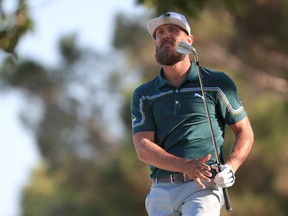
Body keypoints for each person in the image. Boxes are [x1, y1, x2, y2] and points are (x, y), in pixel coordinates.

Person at [131, 11, 254, 216]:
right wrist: (185, 165)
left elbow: (245, 132)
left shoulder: (217, 83)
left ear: (189, 40)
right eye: (159, 32)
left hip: (203, 188)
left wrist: (231, 168)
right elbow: (143, 148)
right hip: (160, 191)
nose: (165, 35)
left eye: (173, 29)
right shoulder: (144, 94)